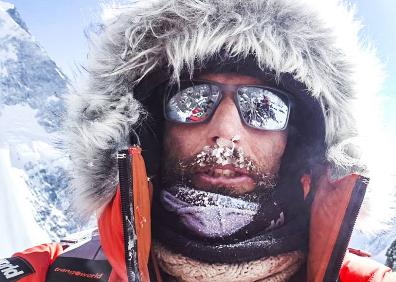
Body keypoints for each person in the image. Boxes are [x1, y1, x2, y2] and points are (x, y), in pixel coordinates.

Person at [1, 0, 395, 281]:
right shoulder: (51, 274)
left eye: (264, 106)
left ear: (297, 138)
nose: (226, 131)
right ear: (151, 128)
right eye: (193, 100)